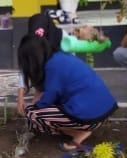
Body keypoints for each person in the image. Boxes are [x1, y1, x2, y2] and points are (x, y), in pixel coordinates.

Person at [17, 12, 117, 150]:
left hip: (91, 115)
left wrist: (35, 108)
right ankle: (74, 129)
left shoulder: (52, 66)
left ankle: (79, 133)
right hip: (104, 108)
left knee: (32, 113)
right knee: (45, 110)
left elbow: (50, 95)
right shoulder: (58, 56)